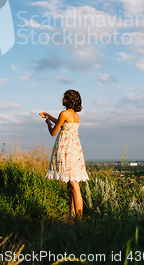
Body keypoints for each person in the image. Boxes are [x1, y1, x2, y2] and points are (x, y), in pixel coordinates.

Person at [40, 89, 88, 226]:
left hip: (66, 151)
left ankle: (78, 223)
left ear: (68, 99)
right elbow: (62, 123)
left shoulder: (64, 113)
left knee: (74, 185)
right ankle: (71, 221)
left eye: (65, 97)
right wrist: (49, 116)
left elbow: (54, 132)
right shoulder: (74, 115)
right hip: (75, 151)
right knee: (70, 186)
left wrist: (48, 124)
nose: (63, 99)